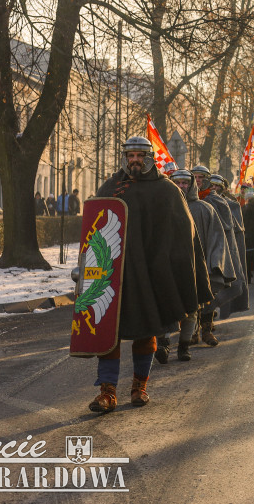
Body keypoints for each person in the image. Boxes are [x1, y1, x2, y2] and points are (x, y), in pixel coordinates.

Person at [87, 137, 203, 412]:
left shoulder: (166, 190)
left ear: (149, 158)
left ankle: (139, 387)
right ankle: (107, 392)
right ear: (125, 158)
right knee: (109, 332)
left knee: (147, 329)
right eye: (131, 156)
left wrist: (169, 265)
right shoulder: (111, 187)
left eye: (140, 155)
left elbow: (182, 232)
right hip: (115, 274)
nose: (135, 160)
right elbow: (95, 226)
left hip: (151, 273)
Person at [161, 169, 229, 362]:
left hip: (194, 267)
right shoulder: (161, 207)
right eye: (177, 182)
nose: (181, 186)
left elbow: (216, 239)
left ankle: (184, 347)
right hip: (167, 267)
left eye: (185, 183)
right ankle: (164, 344)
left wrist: (214, 264)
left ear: (191, 185)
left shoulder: (204, 209)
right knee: (166, 306)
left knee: (191, 308)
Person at [210, 174, 249, 320]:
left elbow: (236, 232)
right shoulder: (203, 202)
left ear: (224, 188)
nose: (214, 188)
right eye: (211, 185)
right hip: (209, 245)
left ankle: (214, 313)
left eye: (217, 186)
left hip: (224, 247)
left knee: (225, 281)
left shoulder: (232, 205)